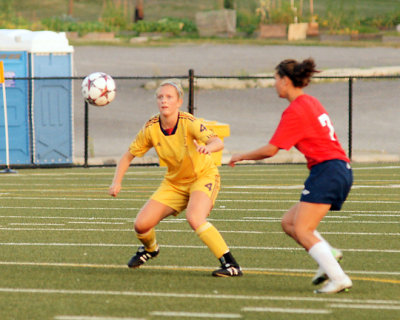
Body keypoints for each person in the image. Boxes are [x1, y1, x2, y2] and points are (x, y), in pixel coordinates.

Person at [229, 58, 353, 293]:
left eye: (276, 79)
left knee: (303, 230)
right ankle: (329, 256)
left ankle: (339, 278)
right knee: (289, 223)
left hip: (328, 170)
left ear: (285, 81)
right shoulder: (311, 102)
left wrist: (240, 155)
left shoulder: (296, 110)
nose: (274, 84)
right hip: (338, 169)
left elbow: (271, 150)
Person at [109, 78, 242, 277]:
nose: (164, 101)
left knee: (195, 217)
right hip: (174, 183)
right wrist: (116, 181)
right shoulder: (151, 128)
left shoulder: (189, 122)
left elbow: (217, 142)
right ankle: (151, 249)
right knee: (141, 225)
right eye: (160, 97)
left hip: (202, 177)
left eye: (169, 97)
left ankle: (231, 265)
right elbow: (127, 157)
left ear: (179, 102)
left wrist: (207, 147)